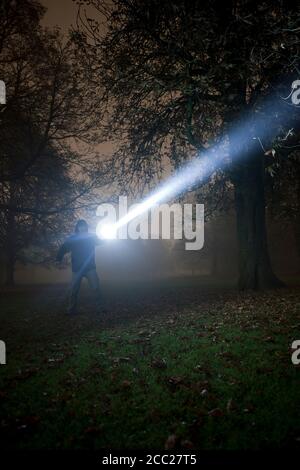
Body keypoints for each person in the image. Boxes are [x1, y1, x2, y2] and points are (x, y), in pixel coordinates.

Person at [56, 219, 103, 315]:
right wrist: (58, 258)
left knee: (96, 287)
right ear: (78, 228)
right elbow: (64, 248)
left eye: (84, 226)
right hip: (77, 268)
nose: (83, 228)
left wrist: (107, 239)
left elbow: (100, 241)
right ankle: (71, 310)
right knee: (74, 290)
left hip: (90, 268)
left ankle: (101, 308)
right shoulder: (73, 239)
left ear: (86, 227)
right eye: (81, 226)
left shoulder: (91, 237)